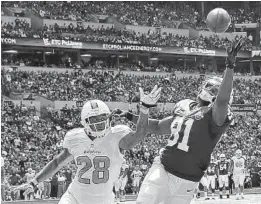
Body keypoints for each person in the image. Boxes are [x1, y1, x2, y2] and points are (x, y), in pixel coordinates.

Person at [119, 39, 243, 204]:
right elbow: (156, 126)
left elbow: (221, 101)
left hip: (188, 179)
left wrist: (230, 66)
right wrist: (133, 115)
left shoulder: (215, 117)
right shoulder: (185, 106)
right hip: (163, 167)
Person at [13, 85, 161, 204]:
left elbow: (139, 135)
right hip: (75, 197)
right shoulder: (75, 137)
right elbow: (57, 162)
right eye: (95, 120)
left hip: (104, 199)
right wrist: (33, 182)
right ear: (85, 123)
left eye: (103, 117)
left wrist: (144, 109)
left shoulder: (116, 135)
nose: (100, 122)